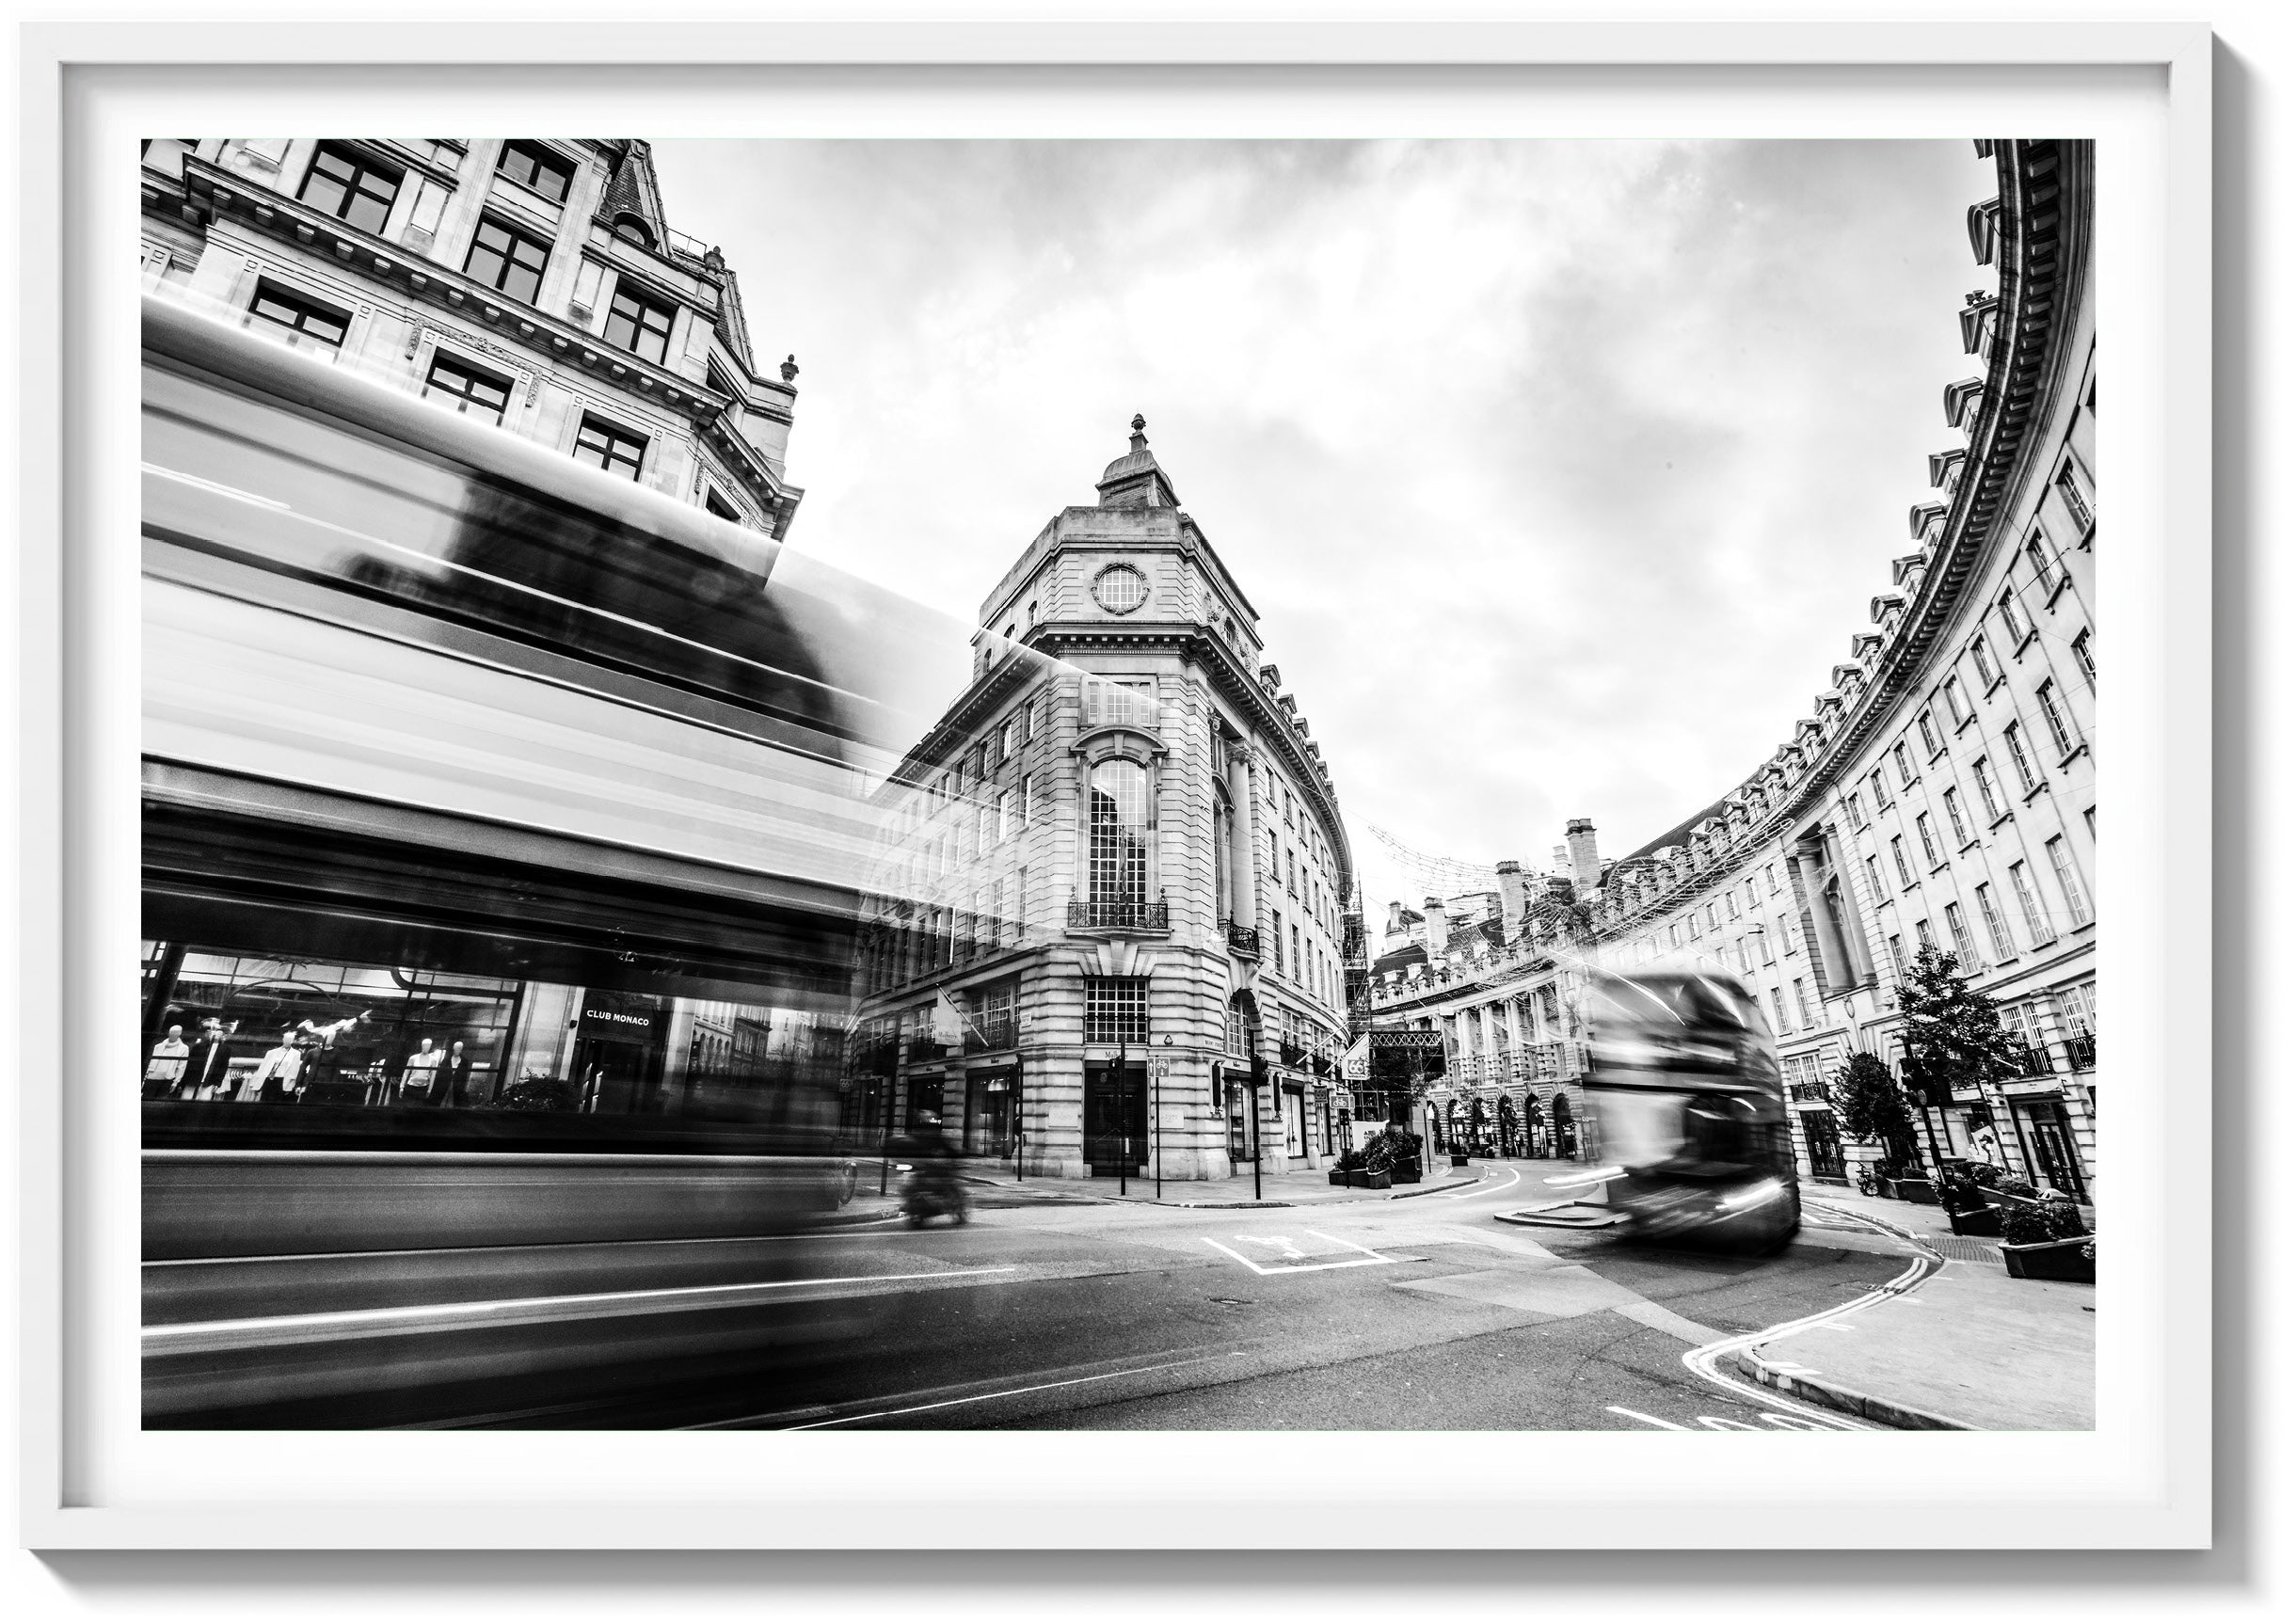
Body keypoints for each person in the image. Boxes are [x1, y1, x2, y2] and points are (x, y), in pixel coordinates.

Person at [177, 1018, 236, 1101]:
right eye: (214, 1031)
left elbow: (223, 1066)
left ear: (222, 1035)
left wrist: (218, 1083)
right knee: (187, 1100)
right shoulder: (199, 1046)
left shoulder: (225, 1049)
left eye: (219, 1032)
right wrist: (182, 1082)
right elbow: (189, 1064)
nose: (215, 1034)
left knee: (202, 1103)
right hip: (193, 1080)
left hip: (209, 1082)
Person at [248, 1028, 305, 1105]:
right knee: (265, 1102)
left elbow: (294, 1070)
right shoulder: (271, 1052)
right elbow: (263, 1068)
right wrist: (255, 1083)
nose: (287, 1041)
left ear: (292, 1041)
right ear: (283, 1039)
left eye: (290, 1040)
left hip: (282, 1081)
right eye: (286, 1039)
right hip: (270, 1079)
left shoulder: (296, 1054)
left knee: (278, 1103)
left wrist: (290, 1086)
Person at [143, 1025, 190, 1099]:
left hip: (167, 1079)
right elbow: (149, 1061)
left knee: (160, 1102)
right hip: (152, 1077)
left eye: (175, 1032)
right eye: (171, 1032)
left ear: (179, 1034)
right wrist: (145, 1077)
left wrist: (176, 1081)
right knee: (146, 1099)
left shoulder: (183, 1048)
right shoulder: (158, 1046)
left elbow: (182, 1066)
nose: (172, 1034)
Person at [398, 1038, 445, 1106]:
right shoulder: (413, 1058)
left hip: (423, 1088)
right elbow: (406, 1072)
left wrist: (429, 1089)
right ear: (422, 1045)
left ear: (430, 1047)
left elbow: (433, 1075)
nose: (426, 1047)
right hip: (411, 1086)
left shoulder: (433, 1060)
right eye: (425, 1045)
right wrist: (401, 1086)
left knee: (418, 1108)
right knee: (407, 1107)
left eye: (428, 1046)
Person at [441, 1040, 473, 1107]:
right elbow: (441, 1072)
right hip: (444, 1084)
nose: (458, 1050)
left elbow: (464, 1076)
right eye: (457, 1048)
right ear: (454, 1048)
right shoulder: (447, 1059)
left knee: (452, 1103)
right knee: (442, 1102)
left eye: (460, 1048)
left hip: (457, 1086)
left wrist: (462, 1087)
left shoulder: (464, 1062)